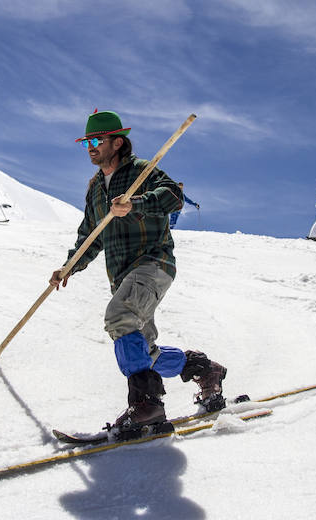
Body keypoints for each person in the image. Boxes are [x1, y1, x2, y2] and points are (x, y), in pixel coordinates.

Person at [48, 110, 228, 440]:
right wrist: (69, 265)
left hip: (153, 262)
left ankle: (147, 405)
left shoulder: (141, 171)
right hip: (122, 276)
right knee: (144, 351)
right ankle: (205, 370)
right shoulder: (95, 189)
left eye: (97, 141)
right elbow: (90, 235)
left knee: (120, 317)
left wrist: (136, 203)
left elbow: (173, 197)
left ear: (117, 142)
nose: (90, 147)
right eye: (86, 142)